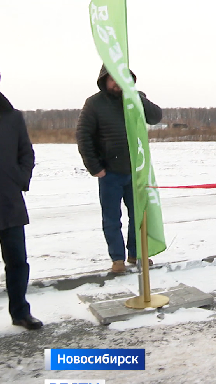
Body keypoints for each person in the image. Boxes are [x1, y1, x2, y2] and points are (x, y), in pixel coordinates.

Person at [76, 65, 162, 274]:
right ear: (104, 80)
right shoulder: (94, 104)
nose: (117, 82)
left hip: (135, 171)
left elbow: (156, 117)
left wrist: (137, 97)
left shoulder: (135, 98)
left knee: (138, 215)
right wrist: (96, 168)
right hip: (109, 172)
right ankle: (117, 259)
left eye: (121, 77)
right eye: (112, 78)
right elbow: (83, 136)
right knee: (112, 218)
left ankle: (136, 253)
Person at [0, 63, 42, 330]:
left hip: (7, 199)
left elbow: (26, 153)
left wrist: (19, 178)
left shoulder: (11, 117)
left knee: (17, 261)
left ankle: (21, 312)